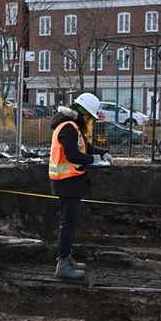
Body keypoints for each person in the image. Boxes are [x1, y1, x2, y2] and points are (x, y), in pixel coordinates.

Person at [48, 93, 113, 279]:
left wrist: (102, 153)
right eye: (89, 117)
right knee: (67, 224)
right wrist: (94, 159)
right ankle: (63, 264)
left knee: (69, 222)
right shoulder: (68, 128)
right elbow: (73, 155)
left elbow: (84, 146)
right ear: (83, 113)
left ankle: (66, 259)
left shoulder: (71, 125)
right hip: (67, 181)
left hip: (69, 181)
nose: (89, 121)